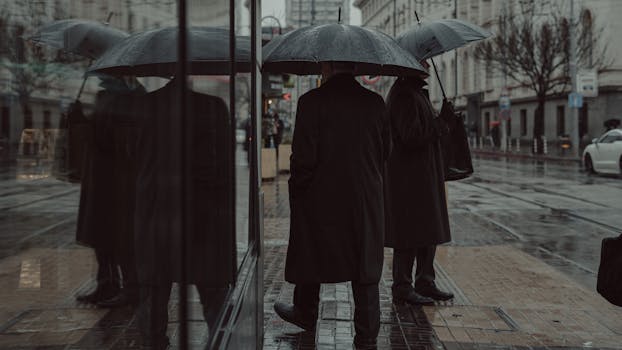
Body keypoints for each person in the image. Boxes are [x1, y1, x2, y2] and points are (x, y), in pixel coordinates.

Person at [274, 62, 389, 350]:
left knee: (312, 252)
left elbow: (303, 158)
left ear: (327, 67)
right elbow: (385, 151)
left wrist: (299, 189)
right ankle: (366, 336)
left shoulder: (311, 102)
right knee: (364, 268)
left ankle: (305, 312)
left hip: (321, 198)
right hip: (364, 199)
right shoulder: (375, 103)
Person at [133, 78, 234, 349]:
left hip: (157, 212)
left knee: (154, 288)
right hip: (202, 215)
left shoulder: (144, 106)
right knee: (213, 291)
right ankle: (220, 341)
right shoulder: (213, 107)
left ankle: (155, 342)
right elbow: (224, 168)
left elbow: (132, 159)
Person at [384, 72, 454, 306]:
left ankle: (425, 281)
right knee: (410, 232)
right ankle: (402, 286)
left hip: (423, 175)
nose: (427, 64)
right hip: (410, 178)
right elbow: (411, 136)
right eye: (422, 60)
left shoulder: (415, 92)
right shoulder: (404, 94)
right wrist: (441, 122)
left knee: (427, 230)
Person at [75, 76, 145, 307]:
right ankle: (106, 283)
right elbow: (96, 131)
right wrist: (78, 119)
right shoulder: (104, 95)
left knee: (121, 234)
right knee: (100, 233)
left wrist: (91, 127)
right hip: (99, 176)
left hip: (119, 178)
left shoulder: (135, 97)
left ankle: (131, 287)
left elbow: (120, 137)